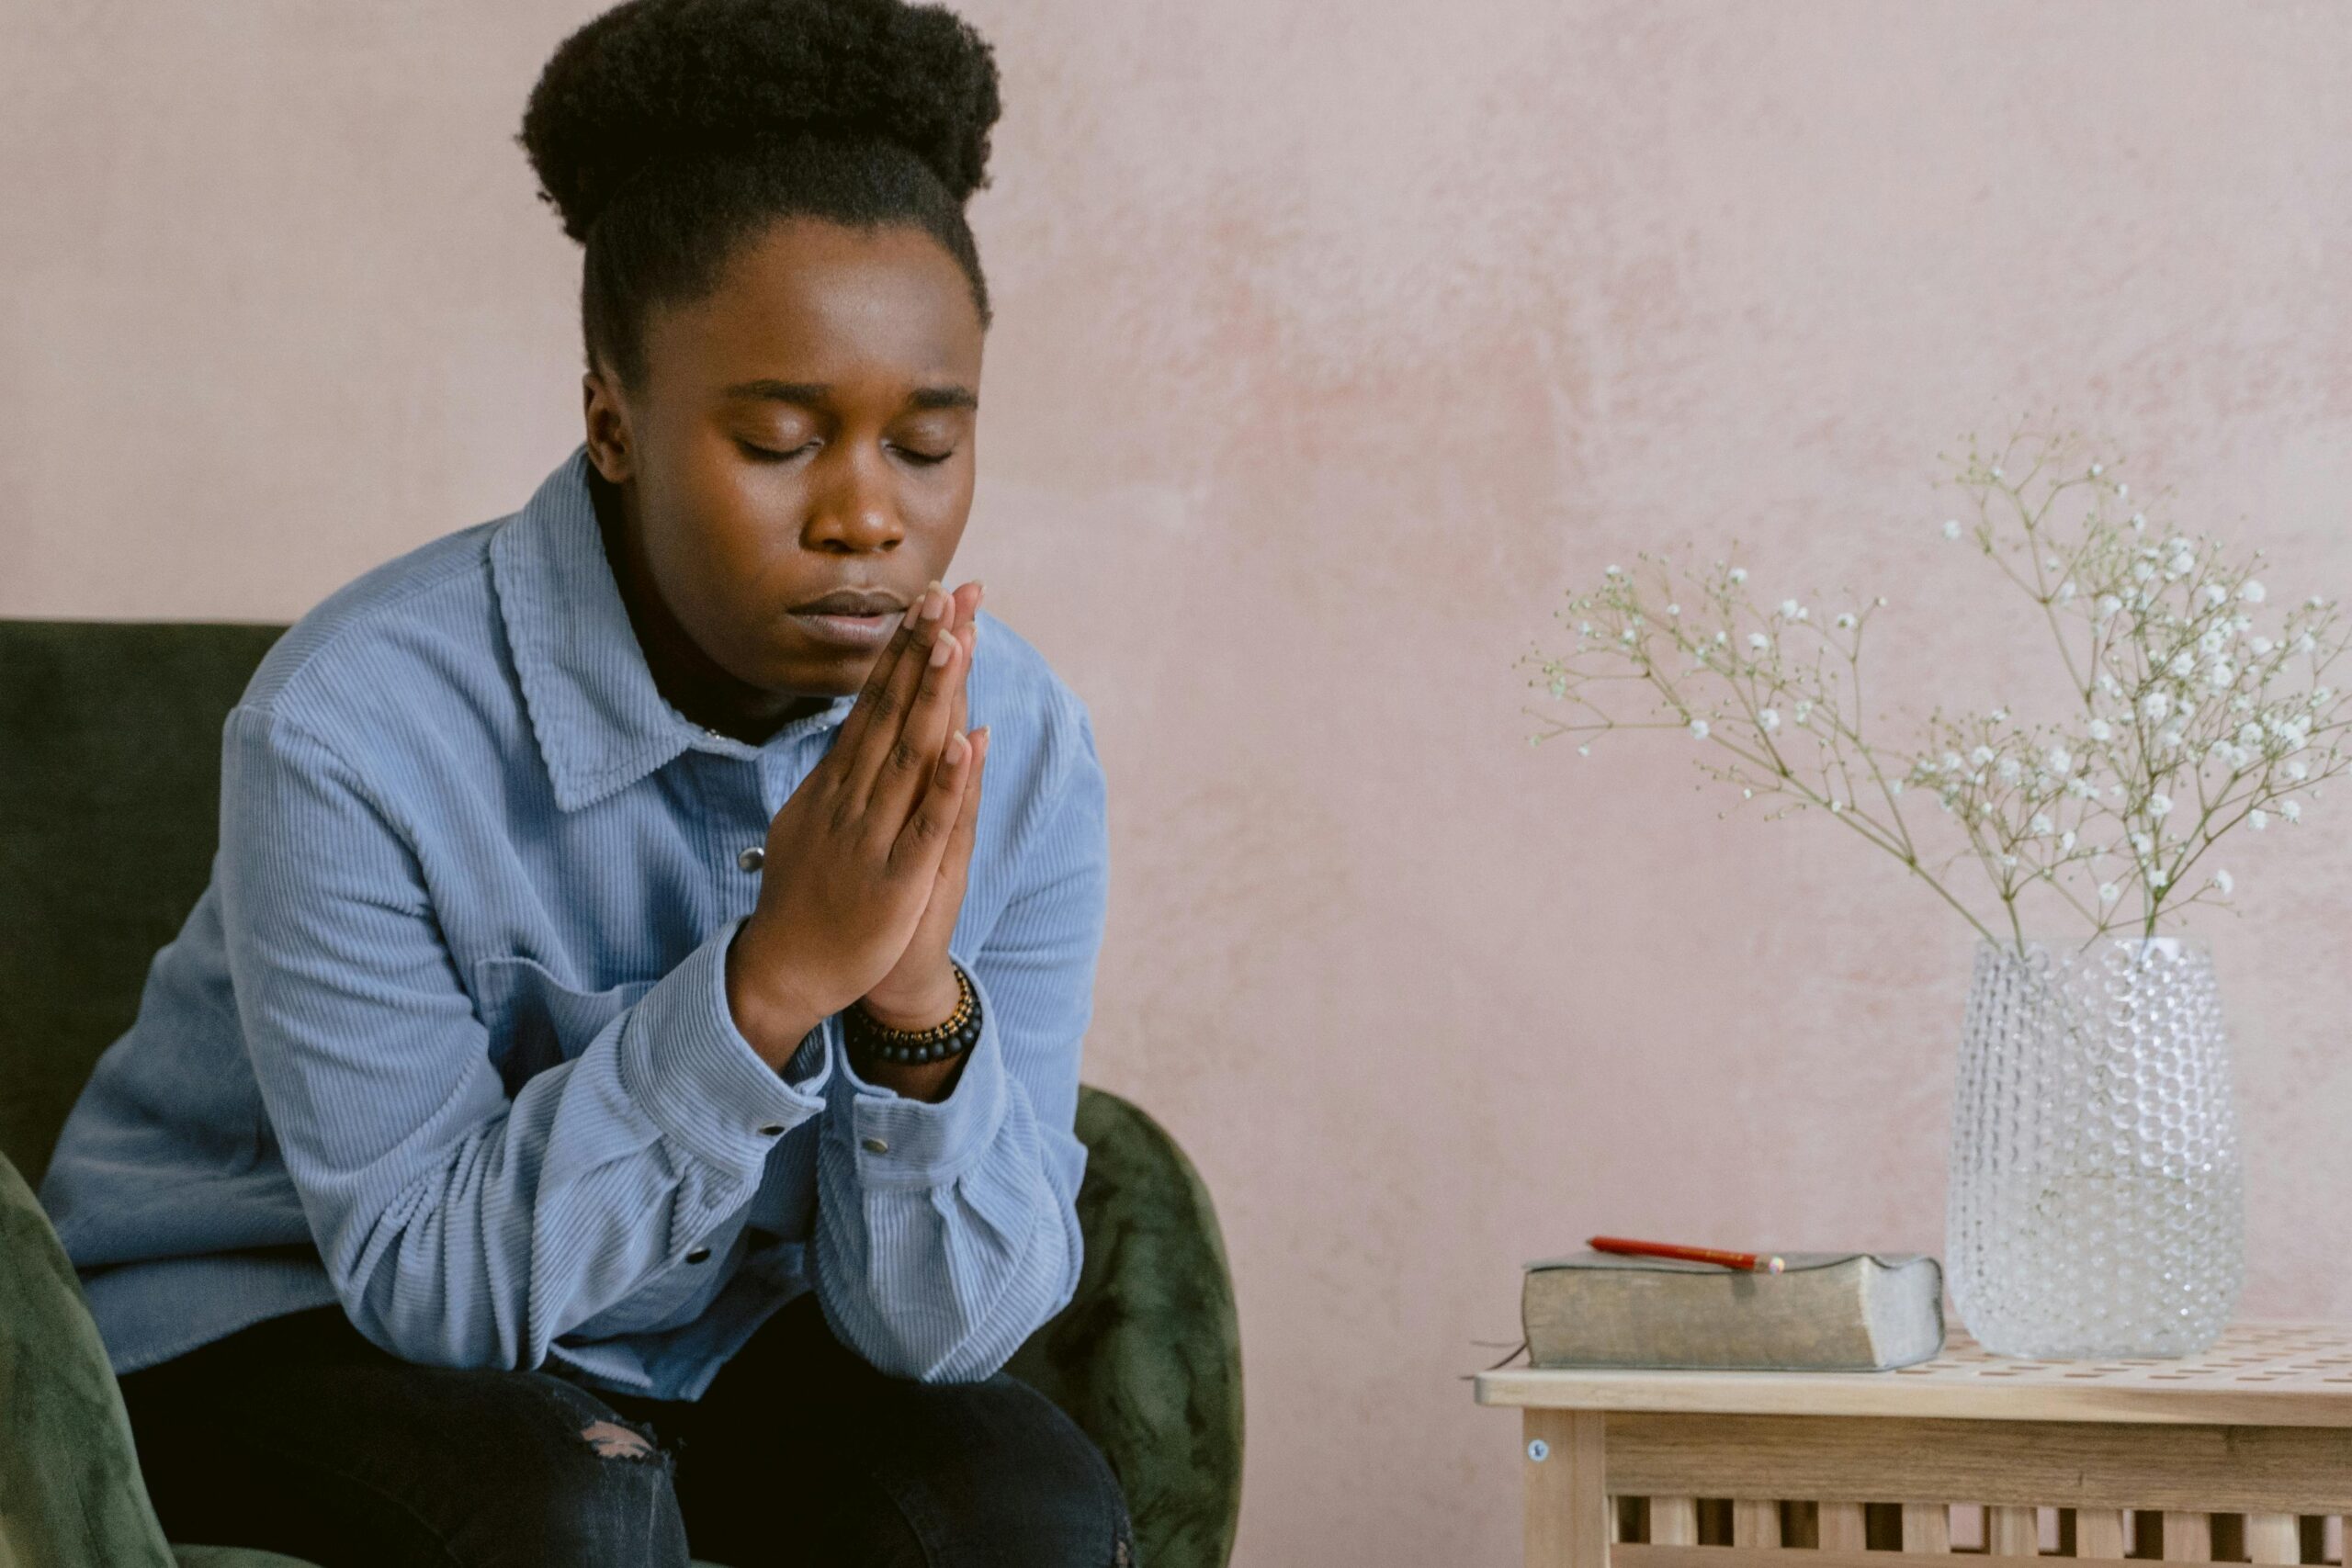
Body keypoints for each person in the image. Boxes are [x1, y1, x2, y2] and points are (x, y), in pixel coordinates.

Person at [35, 0, 1133, 1562]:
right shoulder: (352, 724)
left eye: (925, 445)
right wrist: (766, 986)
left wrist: (906, 1007)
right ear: (613, 423)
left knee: (1016, 1507)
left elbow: (942, 1341)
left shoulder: (1018, 747)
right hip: (280, 1309)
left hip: (711, 1338)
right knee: (574, 1512)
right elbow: (424, 1284)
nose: (865, 518)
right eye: (777, 440)